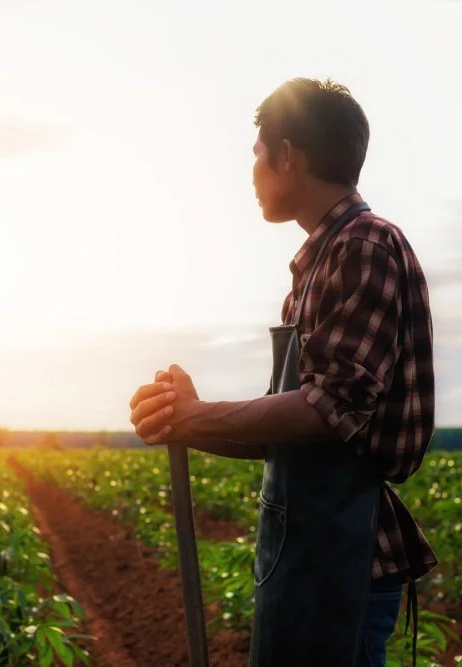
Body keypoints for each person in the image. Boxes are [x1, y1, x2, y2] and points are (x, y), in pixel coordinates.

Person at [128, 78, 437, 667]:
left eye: (256, 155)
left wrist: (198, 416)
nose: (251, 174)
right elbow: (289, 430)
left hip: (344, 558)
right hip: (310, 552)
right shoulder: (320, 261)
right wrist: (188, 422)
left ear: (288, 155)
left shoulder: (364, 246)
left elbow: (330, 409)